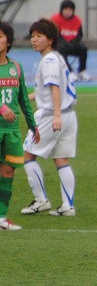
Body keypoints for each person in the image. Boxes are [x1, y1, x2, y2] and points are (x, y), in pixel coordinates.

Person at [21, 19, 78, 217]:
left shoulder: (49, 61)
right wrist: (25, 99)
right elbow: (48, 90)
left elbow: (55, 87)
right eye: (32, 36)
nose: (34, 40)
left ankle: (41, 200)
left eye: (39, 36)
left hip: (52, 116)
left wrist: (55, 116)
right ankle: (68, 206)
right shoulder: (57, 58)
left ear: (51, 39)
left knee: (27, 155)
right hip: (69, 115)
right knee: (61, 159)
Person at [0, 22, 40, 230]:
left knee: (8, 172)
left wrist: (33, 125)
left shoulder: (15, 68)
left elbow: (24, 99)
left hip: (12, 131)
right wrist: (0, 108)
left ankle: (1, 217)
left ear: (8, 41)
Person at [51, 0, 90, 82]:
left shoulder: (77, 20)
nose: (68, 12)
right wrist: (64, 43)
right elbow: (55, 35)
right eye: (66, 9)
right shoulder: (55, 19)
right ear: (62, 10)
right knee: (61, 49)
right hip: (60, 45)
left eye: (70, 10)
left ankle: (82, 71)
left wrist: (73, 43)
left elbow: (79, 35)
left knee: (83, 49)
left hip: (72, 44)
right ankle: (69, 72)